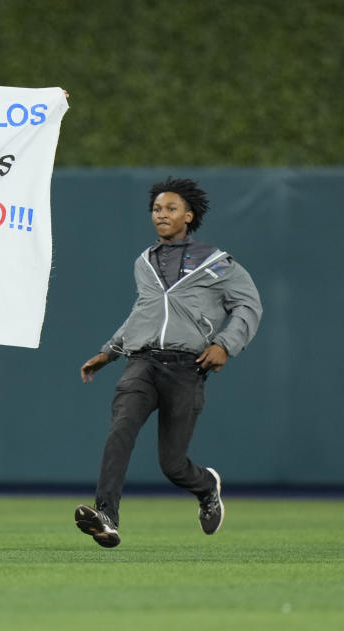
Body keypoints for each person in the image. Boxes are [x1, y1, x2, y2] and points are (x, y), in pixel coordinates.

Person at [76, 177, 262, 548]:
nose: (161, 214)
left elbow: (249, 304)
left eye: (171, 208)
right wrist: (110, 350)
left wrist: (226, 344)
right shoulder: (144, 262)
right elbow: (143, 312)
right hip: (141, 363)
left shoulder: (216, 263)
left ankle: (206, 487)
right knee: (120, 432)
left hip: (186, 367)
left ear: (189, 216)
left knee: (172, 464)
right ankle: (107, 516)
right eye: (157, 209)